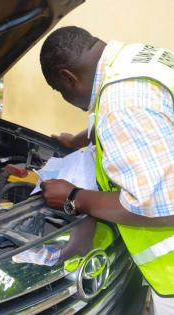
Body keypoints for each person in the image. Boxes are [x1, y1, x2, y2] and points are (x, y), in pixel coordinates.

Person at [38, 26, 174, 313]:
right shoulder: (134, 59)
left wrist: (74, 195)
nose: (62, 95)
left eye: (58, 90)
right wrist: (78, 139)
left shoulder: (123, 103)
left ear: (68, 77)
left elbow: (160, 209)